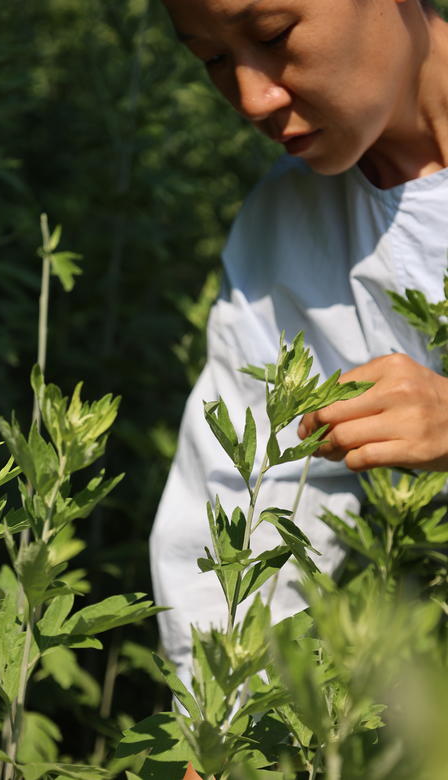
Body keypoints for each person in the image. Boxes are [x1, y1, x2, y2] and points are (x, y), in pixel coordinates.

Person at [150, 0, 448, 685]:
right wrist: (216, 726)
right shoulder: (286, 227)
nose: (252, 97)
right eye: (213, 59)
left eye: (273, 34)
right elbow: (240, 495)